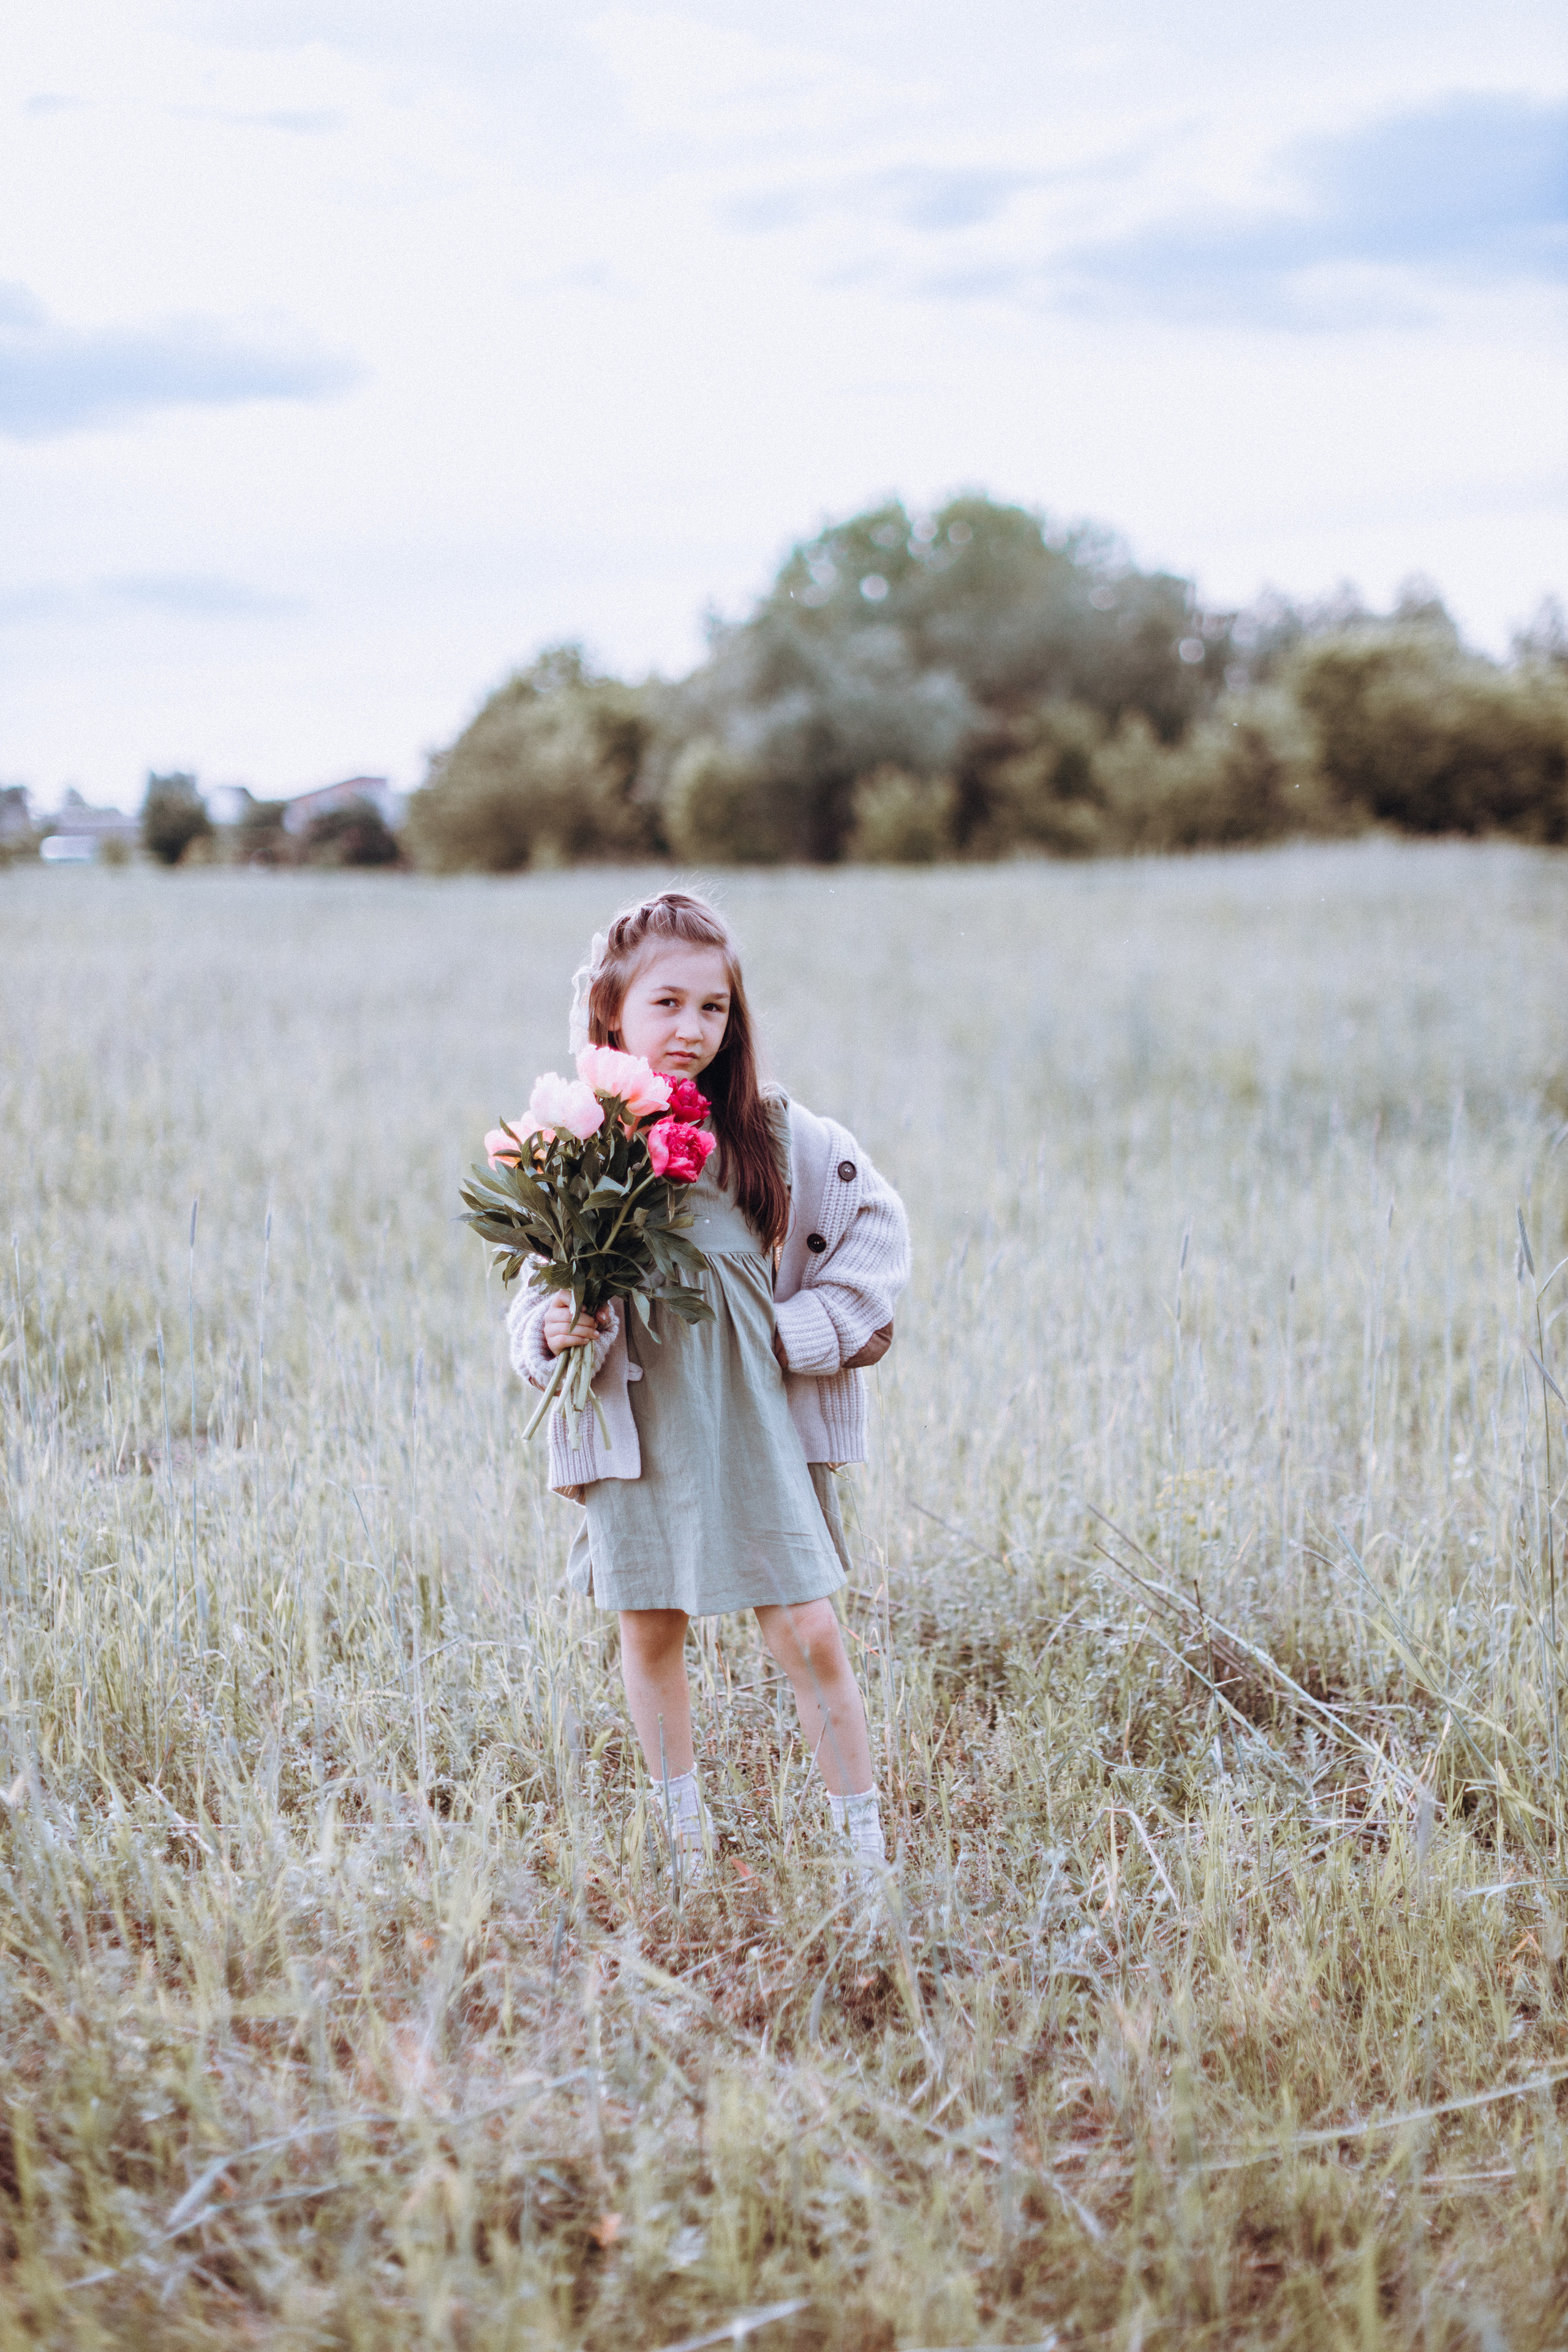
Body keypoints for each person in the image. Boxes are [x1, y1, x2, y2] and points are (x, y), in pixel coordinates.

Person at [507, 890, 910, 1887]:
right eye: (667, 1005)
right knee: (649, 1627)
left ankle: (865, 1861)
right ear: (611, 1013)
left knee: (808, 1628)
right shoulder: (577, 1148)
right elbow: (533, 1295)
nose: (691, 1030)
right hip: (639, 1417)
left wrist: (800, 1332)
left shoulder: (773, 1135)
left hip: (752, 1419)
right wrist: (553, 1327)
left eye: (714, 1009)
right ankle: (685, 1845)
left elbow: (877, 1228)